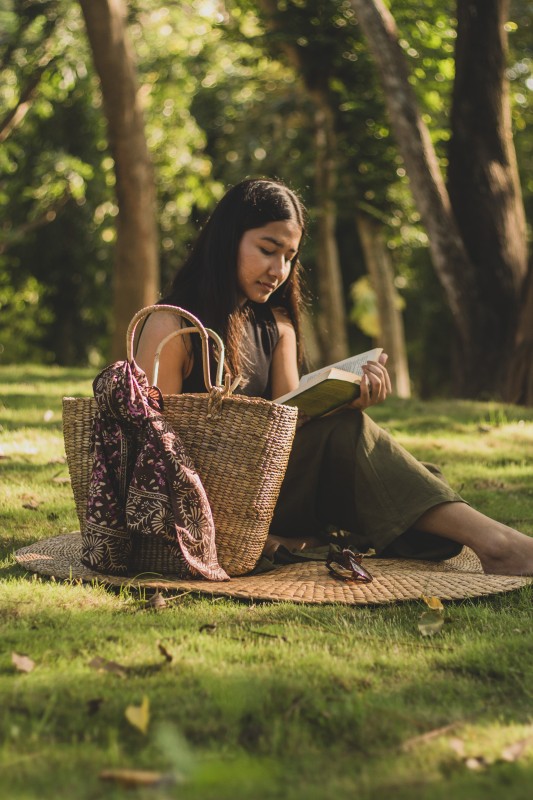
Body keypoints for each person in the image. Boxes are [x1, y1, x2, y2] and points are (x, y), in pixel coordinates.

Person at [136, 177, 533, 576]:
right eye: (267, 250)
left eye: (290, 256)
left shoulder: (277, 327)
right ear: (227, 240)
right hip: (212, 497)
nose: (279, 270)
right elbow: (152, 450)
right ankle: (498, 544)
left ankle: (298, 539)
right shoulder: (171, 327)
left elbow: (292, 430)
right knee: (380, 468)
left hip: (270, 491)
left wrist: (344, 400)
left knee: (410, 473)